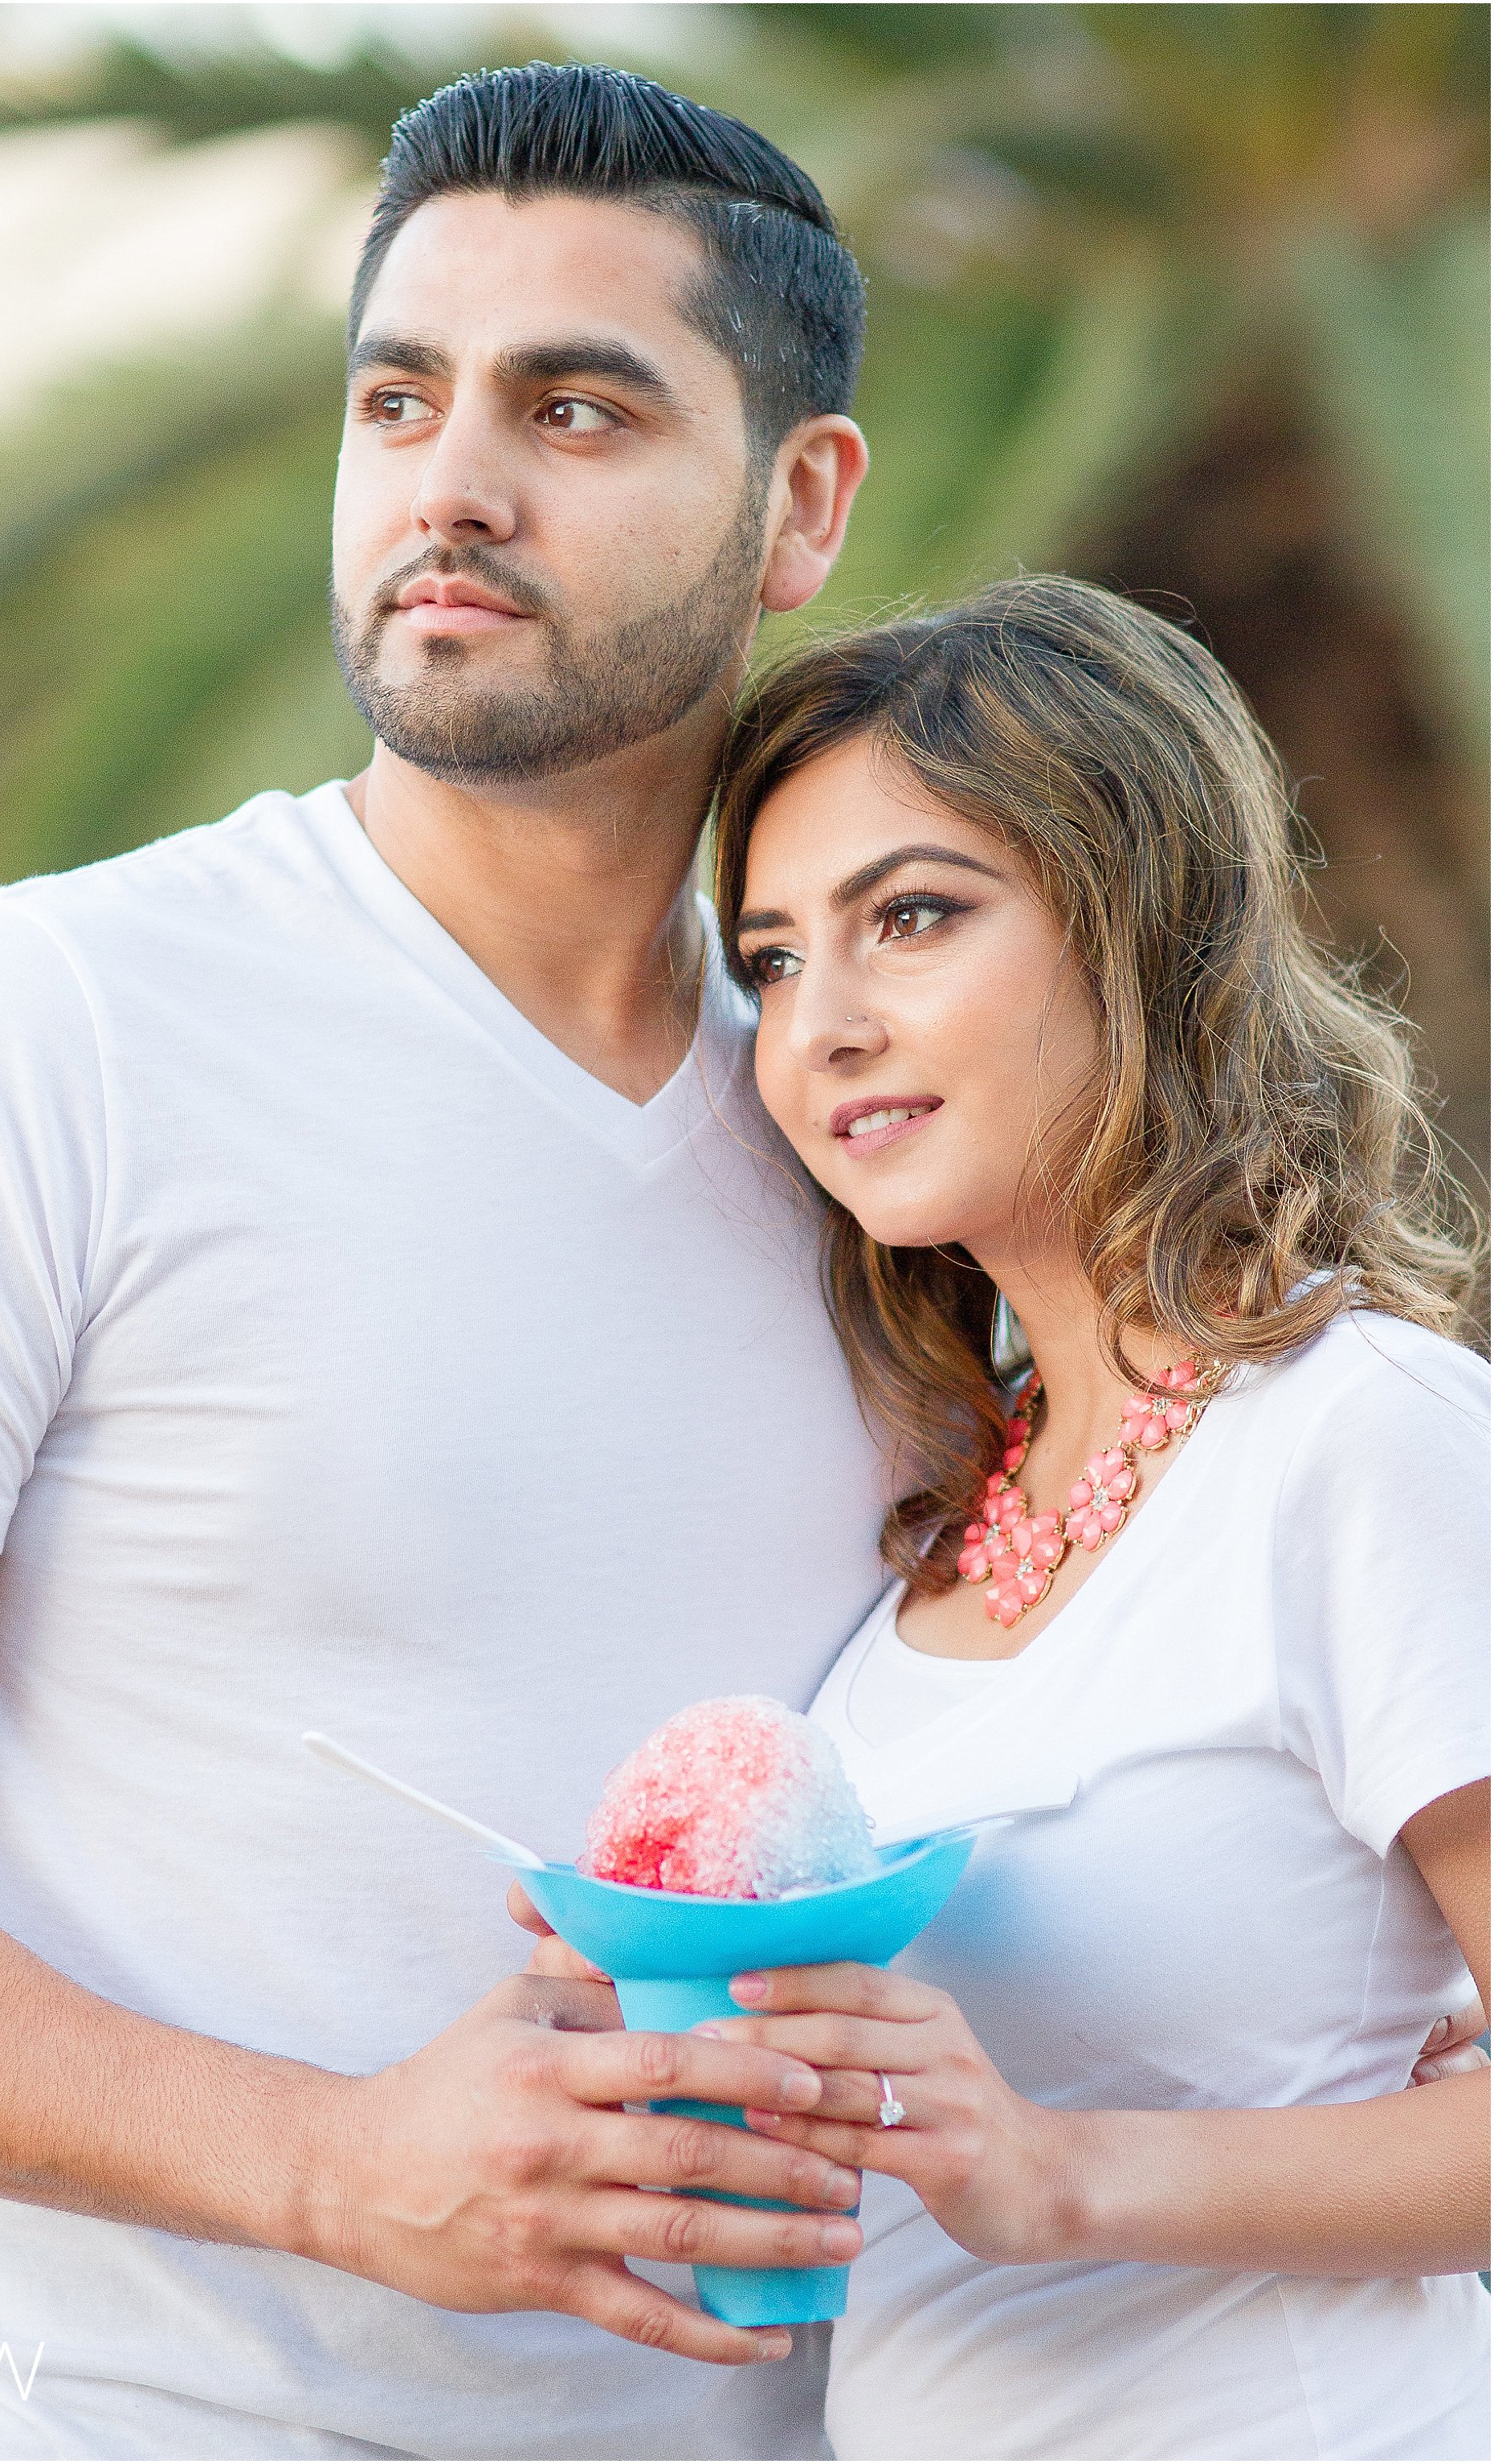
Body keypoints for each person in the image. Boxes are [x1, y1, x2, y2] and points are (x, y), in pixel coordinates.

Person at [0, 64, 882, 2464]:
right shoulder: (58, 1028)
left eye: (580, 405)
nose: (452, 481)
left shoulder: (882, 1136)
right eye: (398, 396)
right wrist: (328, 2163)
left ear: (799, 502)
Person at [693, 576, 1490, 2461]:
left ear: (1139, 931)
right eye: (775, 957)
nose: (823, 1025)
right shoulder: (944, 1510)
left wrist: (1058, 2175)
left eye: (911, 918)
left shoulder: (1353, 1439)